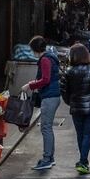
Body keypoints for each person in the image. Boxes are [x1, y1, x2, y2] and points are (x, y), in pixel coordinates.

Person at [61, 43, 90, 174]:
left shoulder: (68, 71)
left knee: (80, 135)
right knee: (87, 135)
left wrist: (71, 102)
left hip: (75, 108)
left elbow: (64, 91)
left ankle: (83, 161)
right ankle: (83, 161)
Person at [22, 36, 61, 171]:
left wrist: (30, 85)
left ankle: (47, 158)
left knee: (46, 127)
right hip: (53, 95)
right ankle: (50, 157)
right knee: (47, 127)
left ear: (35, 49)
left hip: (50, 96)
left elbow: (45, 79)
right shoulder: (51, 57)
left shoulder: (45, 59)